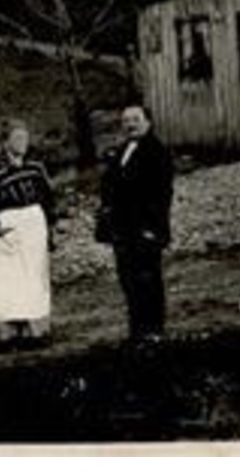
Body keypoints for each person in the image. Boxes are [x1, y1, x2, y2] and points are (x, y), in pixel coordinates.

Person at [97, 104, 174, 344]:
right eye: (126, 120)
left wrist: (152, 228)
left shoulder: (157, 152)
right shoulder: (121, 151)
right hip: (123, 230)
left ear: (148, 122)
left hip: (145, 229)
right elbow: (110, 186)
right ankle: (137, 330)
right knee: (129, 280)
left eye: (136, 119)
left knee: (148, 279)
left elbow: (162, 195)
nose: (131, 124)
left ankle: (154, 331)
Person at [0, 118, 56, 348]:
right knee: (8, 281)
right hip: (9, 228)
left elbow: (48, 198)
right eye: (17, 139)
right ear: (5, 143)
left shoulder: (36, 167)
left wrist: (50, 227)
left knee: (34, 278)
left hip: (33, 226)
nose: (22, 143)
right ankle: (8, 334)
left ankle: (36, 332)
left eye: (25, 138)